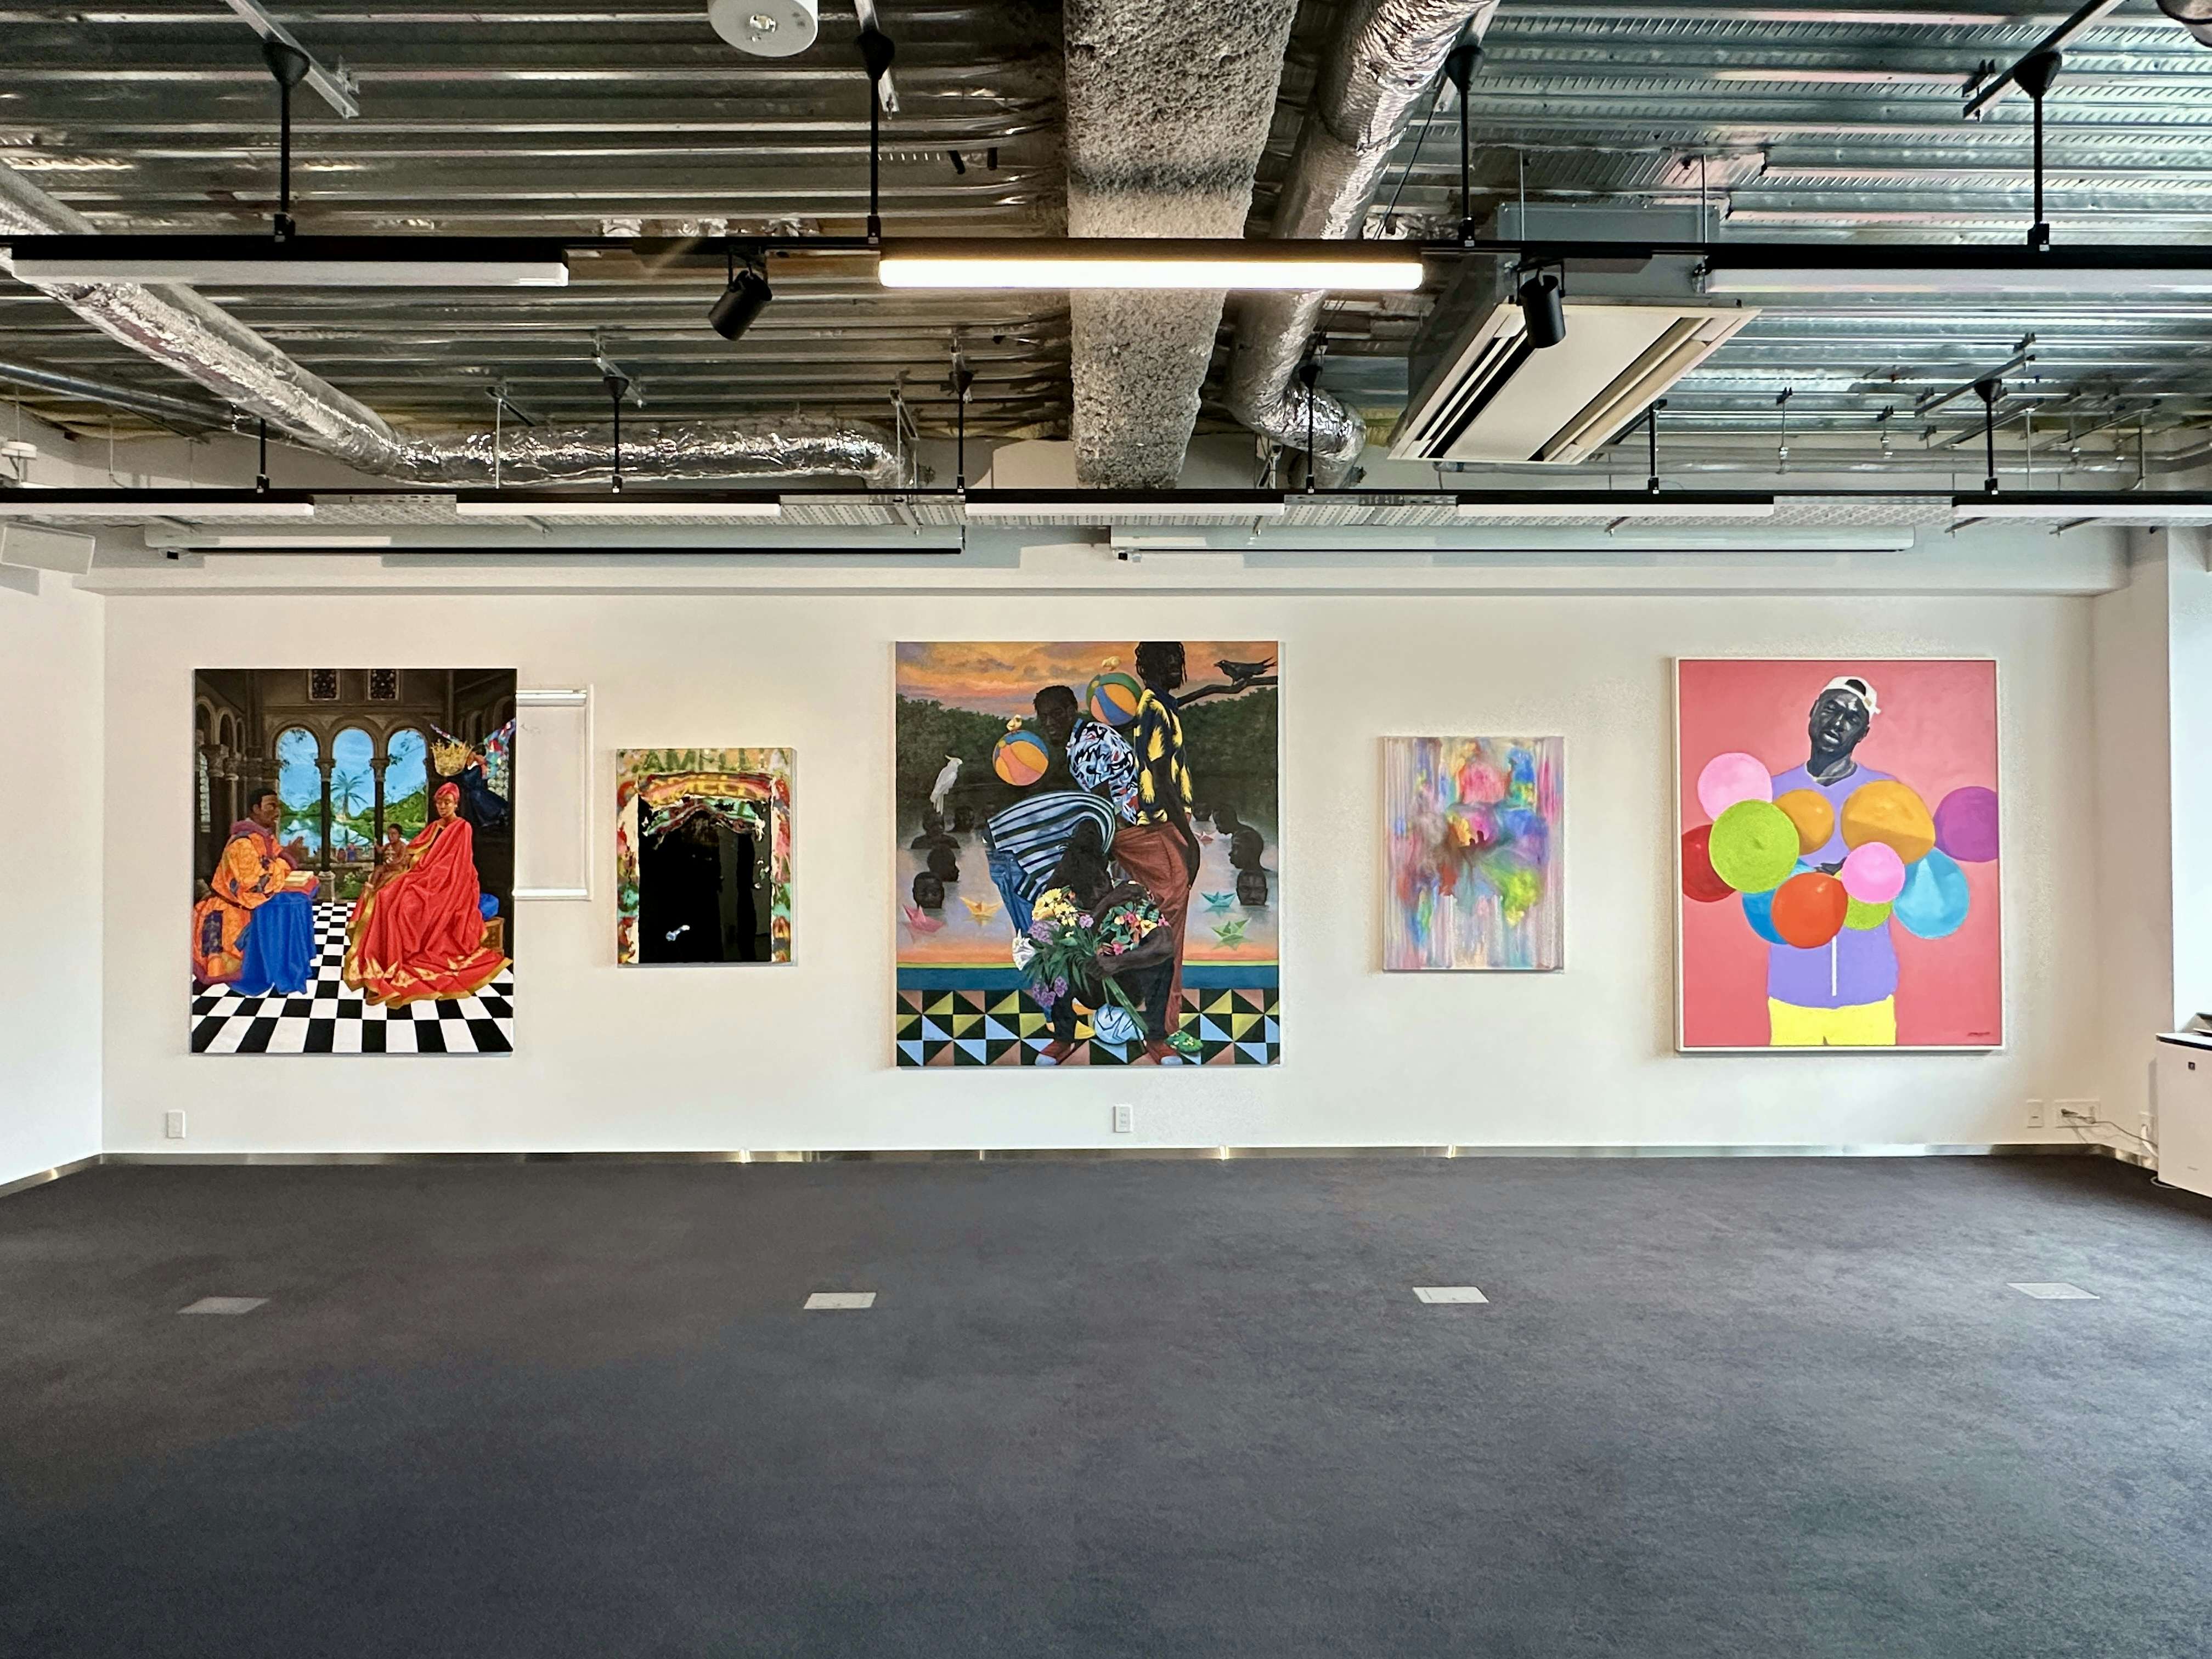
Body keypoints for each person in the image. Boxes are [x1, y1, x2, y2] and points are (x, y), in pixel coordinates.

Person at [1765, 675, 1899, 1047]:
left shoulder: (1886, 795)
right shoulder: (1772, 793)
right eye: (1831, 709)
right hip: (1793, 989)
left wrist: (1857, 875)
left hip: (1868, 992)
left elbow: (1903, 870)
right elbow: (1755, 878)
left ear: (1863, 734)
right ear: (1813, 712)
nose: (1838, 723)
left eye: (1852, 718)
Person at [979, 684, 1136, 939]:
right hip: (1117, 827)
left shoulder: (1087, 744)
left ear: (1072, 711)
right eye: (1044, 718)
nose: (1050, 723)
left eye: (1057, 714)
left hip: (1127, 830)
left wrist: (1059, 879)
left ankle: (1041, 922)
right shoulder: (1081, 741)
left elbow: (1100, 806)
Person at [1110, 641, 1204, 1052]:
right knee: (1167, 931)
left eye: (1177, 661)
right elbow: (1161, 776)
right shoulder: (1154, 708)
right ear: (1147, 667)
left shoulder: (1159, 704)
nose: (1175, 668)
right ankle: (1160, 1030)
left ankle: (1151, 1021)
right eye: (1168, 661)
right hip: (1160, 826)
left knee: (1151, 925)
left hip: (1159, 826)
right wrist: (1188, 839)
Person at [343, 781, 507, 1006]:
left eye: (447, 802)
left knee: (406, 906)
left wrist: (426, 873)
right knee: (384, 896)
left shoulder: (463, 827)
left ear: (456, 804)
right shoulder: (435, 826)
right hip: (426, 877)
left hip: (450, 883)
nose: (443, 807)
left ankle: (403, 956)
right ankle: (383, 958)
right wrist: (412, 869)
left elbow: (455, 863)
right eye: (439, 803)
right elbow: (414, 851)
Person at [1030, 821, 1178, 1066]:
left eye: (1104, 881)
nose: (1104, 889)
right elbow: (1057, 946)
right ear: (1076, 889)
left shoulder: (1130, 893)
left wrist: (1119, 963)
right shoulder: (1059, 903)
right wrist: (1105, 906)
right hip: (1087, 987)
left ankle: (1155, 1038)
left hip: (1128, 983)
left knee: (1162, 961)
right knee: (1050, 960)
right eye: (1093, 888)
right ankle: (1063, 1038)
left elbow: (1165, 944)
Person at [191, 787, 318, 994]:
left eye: (278, 807)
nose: (277, 812)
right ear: (256, 809)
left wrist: (288, 854)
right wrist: (288, 860)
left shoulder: (263, 837)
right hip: (234, 914)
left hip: (249, 907)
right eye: (271, 806)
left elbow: (276, 858)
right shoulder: (243, 843)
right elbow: (258, 884)